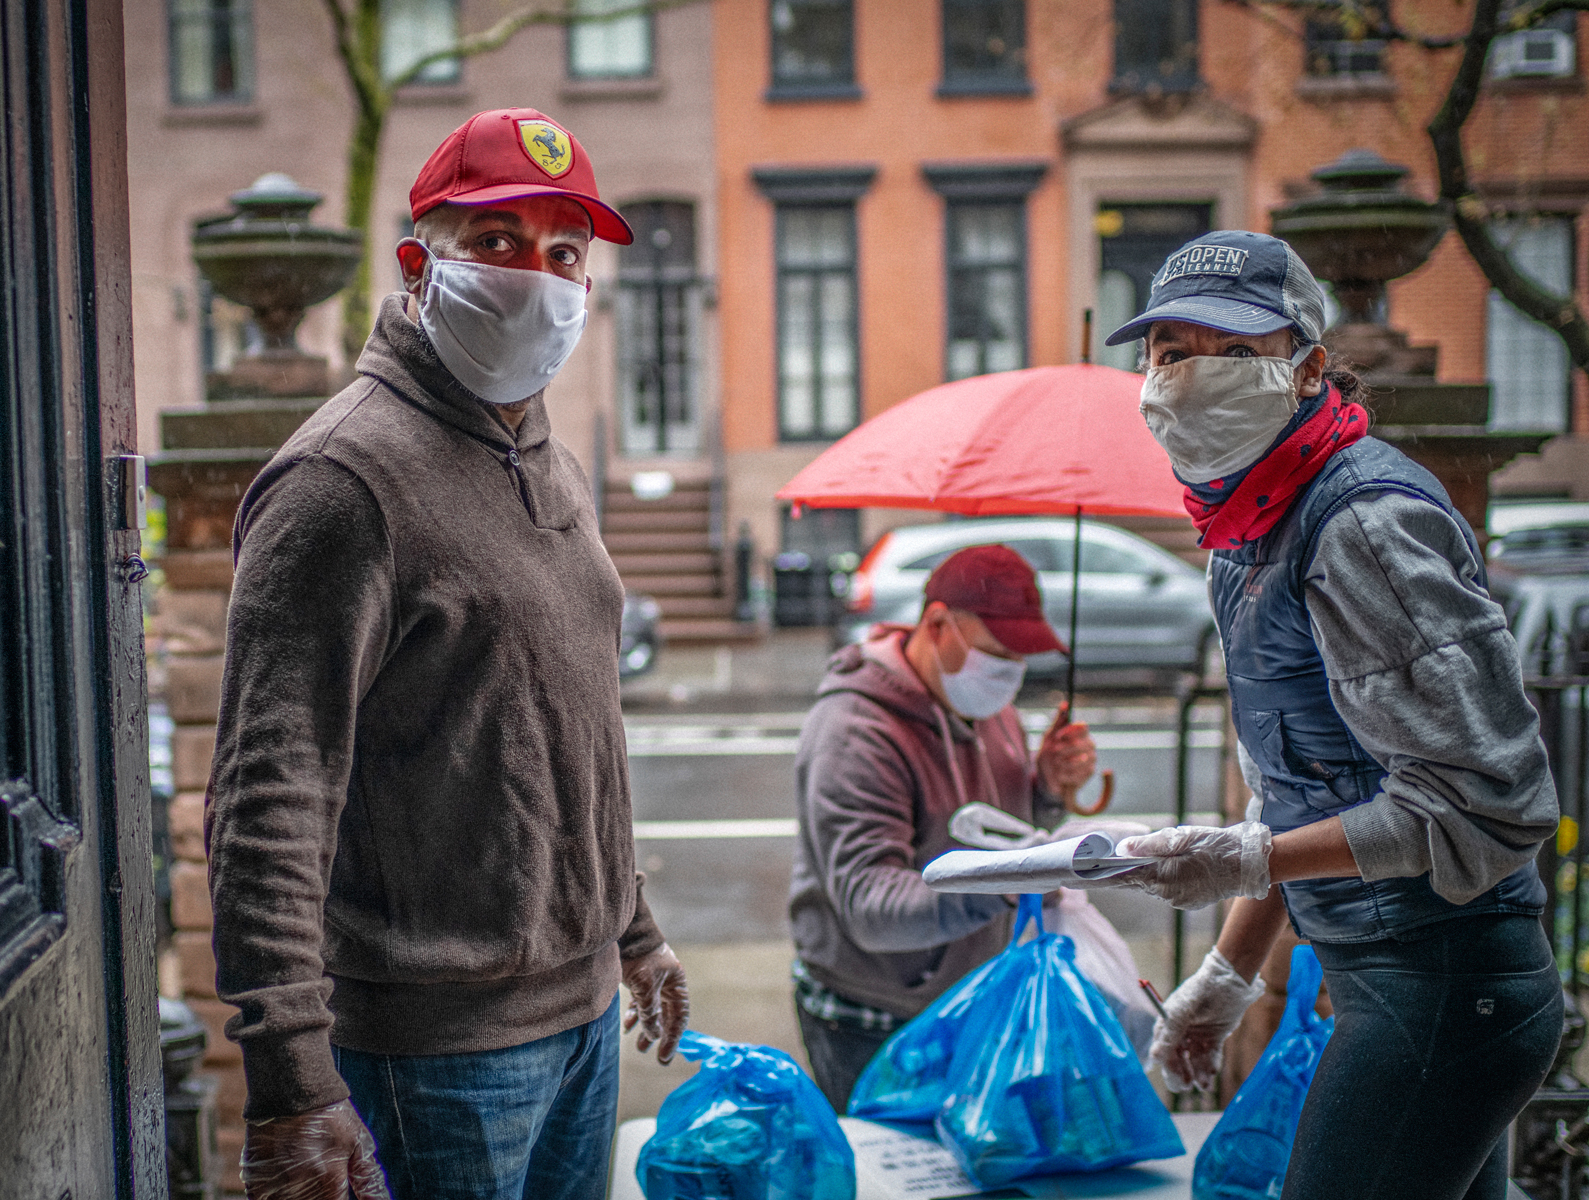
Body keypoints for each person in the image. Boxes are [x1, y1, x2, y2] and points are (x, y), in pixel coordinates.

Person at [205, 108, 690, 1200]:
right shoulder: (343, 481)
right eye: (498, 244)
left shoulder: (545, 458)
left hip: (582, 1027)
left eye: (564, 253)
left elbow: (571, 733)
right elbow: (268, 797)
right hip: (438, 1059)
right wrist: (291, 1079)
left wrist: (634, 930)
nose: (538, 276)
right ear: (420, 266)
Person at [1092, 229, 1561, 1200]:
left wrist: (1253, 858)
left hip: (1445, 986)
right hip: (1397, 986)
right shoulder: (1246, 531)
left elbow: (1487, 805)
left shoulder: (1359, 526)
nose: (1190, 377)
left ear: (1307, 370)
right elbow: (1304, 794)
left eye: (1232, 352)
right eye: (1170, 353)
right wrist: (1227, 974)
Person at [788, 545, 1099, 1110]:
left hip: (972, 987)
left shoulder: (984, 703)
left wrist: (1046, 790)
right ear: (936, 624)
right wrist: (1008, 882)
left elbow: (1001, 830)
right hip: (877, 1009)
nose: (1008, 673)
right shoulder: (855, 731)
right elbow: (870, 905)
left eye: (1020, 658)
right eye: (996, 653)